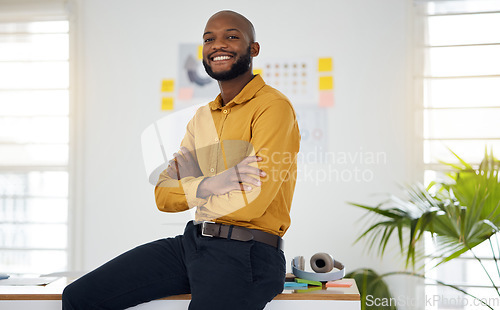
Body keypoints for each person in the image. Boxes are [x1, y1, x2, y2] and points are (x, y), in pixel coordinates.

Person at [62, 10, 300, 310]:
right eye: (208, 39)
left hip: (246, 253)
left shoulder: (273, 107)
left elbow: (253, 200)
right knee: (78, 298)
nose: (218, 45)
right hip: (194, 243)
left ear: (253, 49)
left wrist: (191, 188)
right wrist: (212, 184)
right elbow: (163, 194)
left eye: (231, 36)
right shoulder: (202, 118)